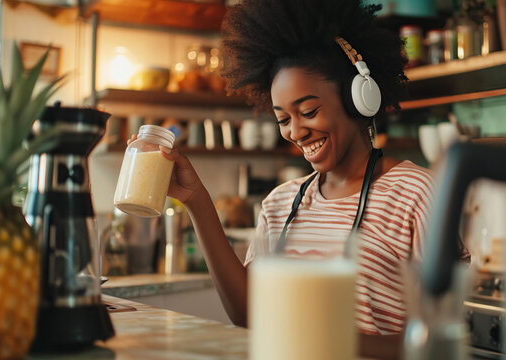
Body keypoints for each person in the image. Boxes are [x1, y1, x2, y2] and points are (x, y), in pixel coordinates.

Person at [131, 0, 434, 358]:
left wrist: (325, 336)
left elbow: (438, 340)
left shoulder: (415, 193)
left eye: (308, 111)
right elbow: (247, 315)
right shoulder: (281, 203)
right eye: (283, 119)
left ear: (358, 99)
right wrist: (195, 199)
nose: (296, 132)